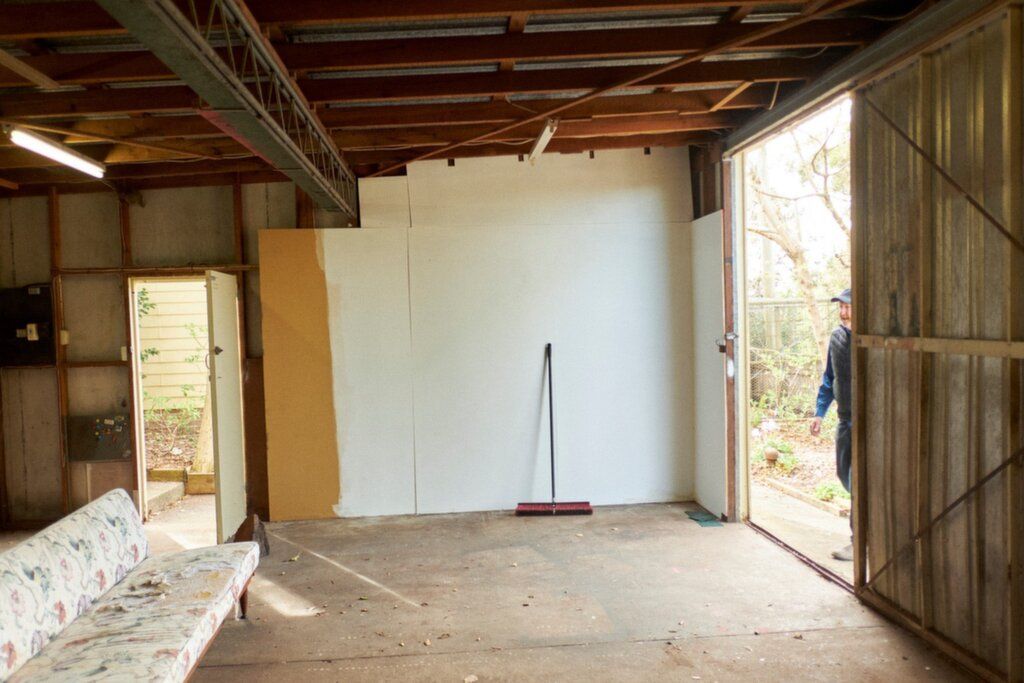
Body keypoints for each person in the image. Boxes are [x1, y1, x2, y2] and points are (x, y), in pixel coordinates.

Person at [810, 288, 853, 561]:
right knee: (844, 475)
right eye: (841, 307)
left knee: (860, 483)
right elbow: (829, 378)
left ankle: (859, 542)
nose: (843, 312)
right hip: (845, 421)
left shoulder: (868, 341)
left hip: (869, 422)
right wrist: (819, 413)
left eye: (848, 307)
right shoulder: (837, 338)